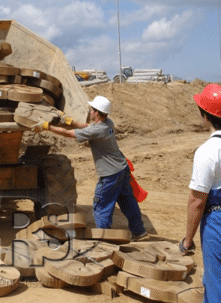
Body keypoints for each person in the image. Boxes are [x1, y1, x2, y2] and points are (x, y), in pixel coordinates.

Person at [34, 95, 147, 240]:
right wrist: (73, 122)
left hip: (110, 174)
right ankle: (139, 231)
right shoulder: (108, 123)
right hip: (122, 169)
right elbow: (89, 127)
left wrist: (47, 127)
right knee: (127, 201)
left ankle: (104, 239)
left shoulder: (98, 130)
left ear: (97, 113)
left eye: (92, 110)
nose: (90, 111)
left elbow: (69, 134)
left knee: (101, 206)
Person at [181, 84, 221, 303]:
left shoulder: (208, 152)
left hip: (217, 221)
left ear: (204, 114)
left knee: (218, 289)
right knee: (212, 282)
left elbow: (197, 201)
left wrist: (187, 239)